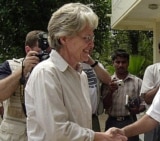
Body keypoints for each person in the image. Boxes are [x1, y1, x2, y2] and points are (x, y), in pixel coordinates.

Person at [24, 3, 126, 141]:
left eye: (92, 38)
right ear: (64, 38)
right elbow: (57, 131)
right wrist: (100, 136)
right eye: (86, 38)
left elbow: (81, 125)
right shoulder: (46, 73)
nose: (92, 44)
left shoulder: (81, 74)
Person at [0, 30, 50, 141]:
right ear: (28, 50)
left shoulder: (51, 70)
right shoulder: (10, 66)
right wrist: (22, 70)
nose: (45, 56)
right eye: (40, 52)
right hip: (15, 136)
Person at [101, 49, 145, 141]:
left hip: (131, 121)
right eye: (118, 62)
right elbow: (104, 105)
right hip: (112, 122)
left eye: (123, 62)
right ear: (113, 63)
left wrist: (137, 109)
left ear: (128, 63)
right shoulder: (108, 82)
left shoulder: (137, 82)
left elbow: (144, 104)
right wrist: (110, 91)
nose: (120, 65)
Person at [83, 53, 111, 131]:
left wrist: (92, 63)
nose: (90, 45)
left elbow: (108, 81)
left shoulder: (97, 65)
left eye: (92, 43)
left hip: (93, 117)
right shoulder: (71, 64)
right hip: (76, 118)